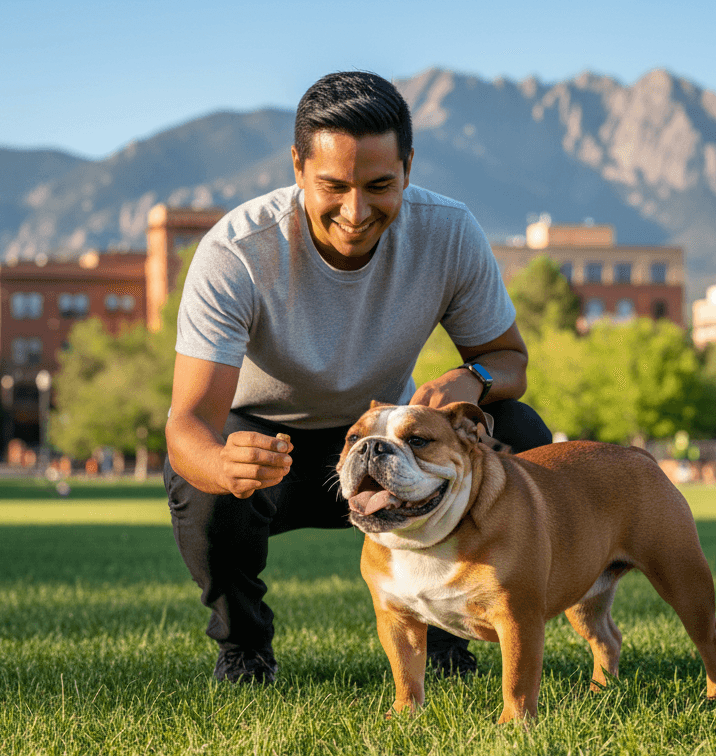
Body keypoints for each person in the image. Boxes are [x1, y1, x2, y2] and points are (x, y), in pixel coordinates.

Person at [164, 71, 553, 684]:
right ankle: (244, 648)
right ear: (298, 168)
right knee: (204, 481)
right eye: (333, 186)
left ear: (407, 168)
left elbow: (510, 361)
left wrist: (474, 377)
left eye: (379, 186)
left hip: (393, 446)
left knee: (517, 431)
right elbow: (187, 424)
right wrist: (220, 464)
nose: (355, 211)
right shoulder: (236, 252)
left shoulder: (449, 232)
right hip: (273, 450)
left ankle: (452, 633)